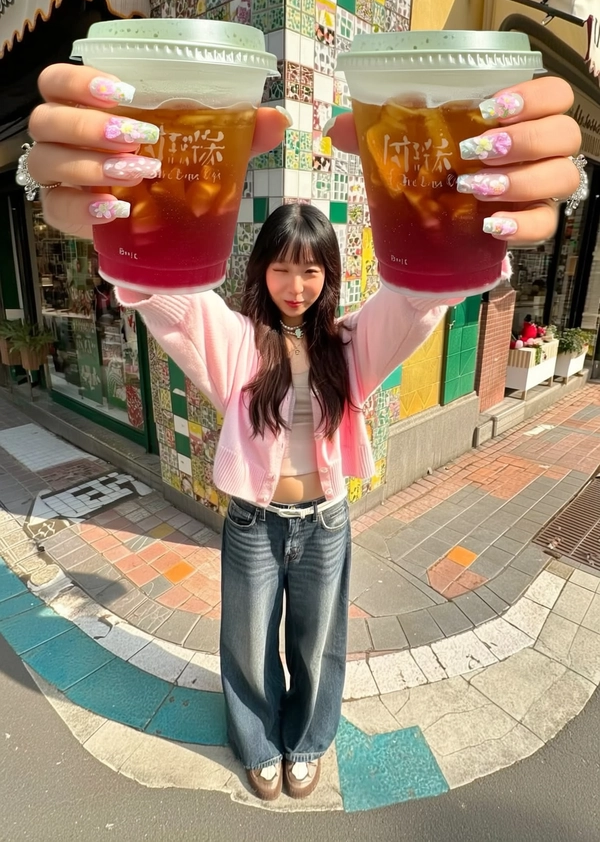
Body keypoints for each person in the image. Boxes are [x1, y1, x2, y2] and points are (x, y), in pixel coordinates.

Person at [27, 66, 581, 800]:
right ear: (263, 271)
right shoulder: (236, 343)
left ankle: (308, 738)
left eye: (312, 270)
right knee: (250, 646)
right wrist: (130, 217)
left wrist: (462, 210)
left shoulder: (350, 346)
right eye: (284, 268)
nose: (297, 284)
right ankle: (257, 739)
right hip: (255, 524)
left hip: (325, 522)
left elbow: (416, 301)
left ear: (329, 277)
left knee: (316, 645)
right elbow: (172, 302)